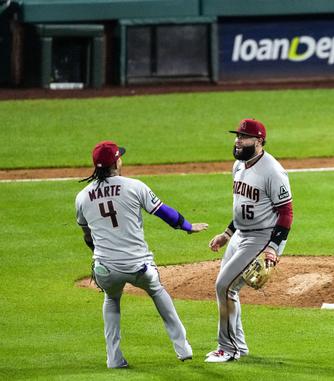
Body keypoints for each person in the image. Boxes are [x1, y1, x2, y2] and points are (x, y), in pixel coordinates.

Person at [75, 140, 208, 368]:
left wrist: (101, 258)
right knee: (157, 290)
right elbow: (164, 212)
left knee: (112, 298)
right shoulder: (134, 186)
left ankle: (114, 359)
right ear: (116, 162)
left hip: (105, 268)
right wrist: (187, 226)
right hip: (139, 267)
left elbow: (88, 235)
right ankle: (183, 348)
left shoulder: (82, 196)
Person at [206, 118, 293, 363]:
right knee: (227, 288)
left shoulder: (273, 171)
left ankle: (227, 348)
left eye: (244, 137)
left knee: (224, 287)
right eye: (237, 136)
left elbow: (286, 212)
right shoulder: (238, 165)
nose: (238, 141)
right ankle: (238, 346)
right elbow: (244, 206)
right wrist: (226, 234)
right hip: (241, 235)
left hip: (260, 238)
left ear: (259, 141)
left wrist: (273, 249)